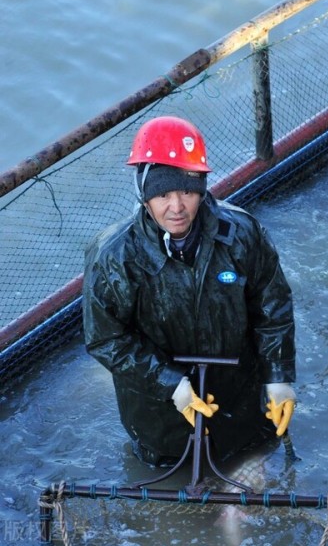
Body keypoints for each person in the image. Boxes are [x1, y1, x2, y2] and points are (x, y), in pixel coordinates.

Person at [83, 115, 297, 468]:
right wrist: (171, 385)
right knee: (167, 478)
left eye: (187, 190)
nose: (177, 206)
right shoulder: (113, 256)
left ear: (202, 188)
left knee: (249, 468)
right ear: (144, 195)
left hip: (240, 400)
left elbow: (273, 308)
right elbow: (106, 339)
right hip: (159, 419)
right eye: (163, 194)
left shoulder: (243, 233)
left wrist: (279, 377)